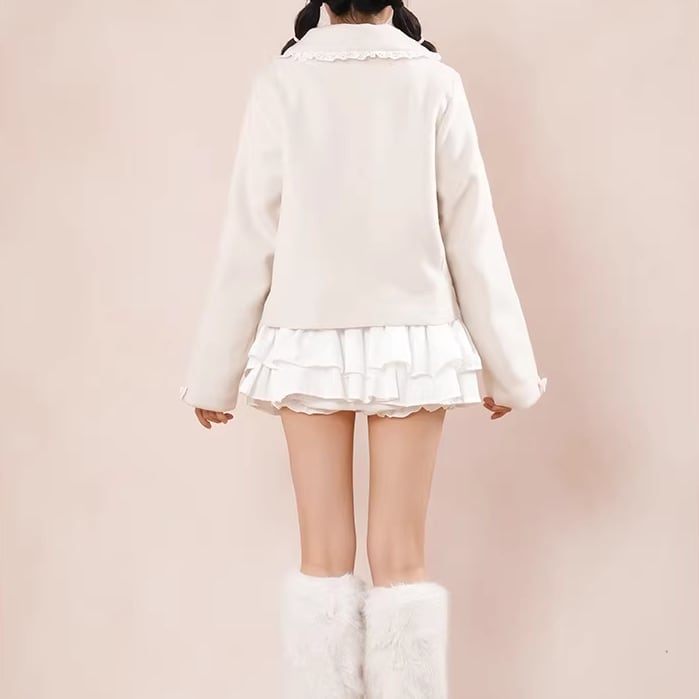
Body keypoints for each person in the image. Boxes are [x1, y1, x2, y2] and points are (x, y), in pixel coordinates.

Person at [179, 1, 546, 696]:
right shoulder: (434, 82)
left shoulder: (282, 82)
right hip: (414, 345)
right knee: (401, 560)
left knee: (322, 559)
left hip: (306, 340)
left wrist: (213, 375)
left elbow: (250, 235)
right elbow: (472, 234)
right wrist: (509, 371)